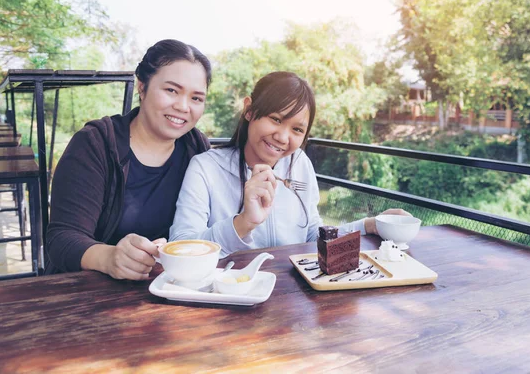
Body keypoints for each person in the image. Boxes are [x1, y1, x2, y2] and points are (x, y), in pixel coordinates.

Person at [169, 71, 409, 256]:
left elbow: (313, 234)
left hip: (292, 300)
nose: (283, 137)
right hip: (228, 301)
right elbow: (181, 246)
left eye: (296, 129)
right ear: (249, 111)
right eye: (275, 119)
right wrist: (243, 223)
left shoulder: (299, 163)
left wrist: (370, 225)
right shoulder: (205, 168)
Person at [46, 39, 212, 280]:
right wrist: (110, 258)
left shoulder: (196, 149)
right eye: (171, 90)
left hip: (163, 289)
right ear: (142, 87)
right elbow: (61, 238)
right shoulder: (96, 144)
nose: (183, 106)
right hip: (87, 290)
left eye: (196, 98)